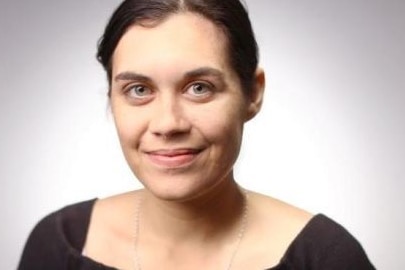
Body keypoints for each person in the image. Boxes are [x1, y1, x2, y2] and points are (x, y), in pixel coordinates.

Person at [18, 0, 375, 269]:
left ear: (253, 93)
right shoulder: (58, 243)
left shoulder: (324, 256)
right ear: (112, 98)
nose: (168, 123)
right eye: (139, 90)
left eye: (199, 88)